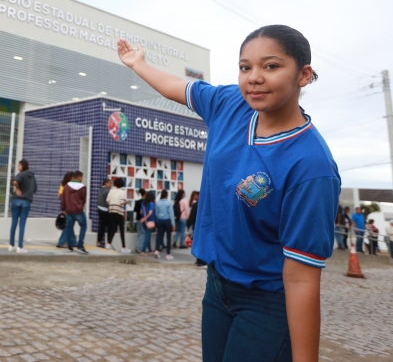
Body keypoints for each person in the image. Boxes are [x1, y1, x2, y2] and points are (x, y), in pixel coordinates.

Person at [118, 24, 341, 362]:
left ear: (304, 75)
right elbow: (177, 87)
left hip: (267, 302)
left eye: (271, 66)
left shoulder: (311, 166)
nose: (254, 78)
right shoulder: (229, 103)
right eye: (245, 67)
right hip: (217, 286)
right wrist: (138, 64)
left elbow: (301, 279)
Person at [10, 159, 37, 253]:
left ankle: (11, 245)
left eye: (19, 165)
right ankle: (20, 247)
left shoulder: (20, 174)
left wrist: (17, 189)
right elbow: (35, 189)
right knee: (22, 224)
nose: (18, 167)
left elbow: (15, 182)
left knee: (14, 223)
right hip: (26, 202)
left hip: (16, 200)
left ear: (23, 166)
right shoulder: (32, 177)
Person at [62, 171, 88, 254]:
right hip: (78, 211)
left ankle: (70, 246)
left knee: (69, 227)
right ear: (79, 177)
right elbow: (84, 199)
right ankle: (80, 246)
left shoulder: (66, 186)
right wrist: (81, 206)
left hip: (69, 210)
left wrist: (63, 208)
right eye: (82, 177)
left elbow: (63, 198)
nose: (82, 179)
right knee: (83, 227)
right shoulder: (82, 187)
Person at [106, 178, 130, 253]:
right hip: (119, 212)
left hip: (111, 211)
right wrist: (126, 202)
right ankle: (123, 247)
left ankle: (109, 243)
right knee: (121, 229)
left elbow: (107, 200)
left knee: (114, 228)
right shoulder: (122, 192)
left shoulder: (111, 191)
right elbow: (121, 202)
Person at [56, 172, 76, 248]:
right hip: (68, 207)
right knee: (68, 225)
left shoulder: (63, 184)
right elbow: (60, 195)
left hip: (67, 206)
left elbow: (59, 195)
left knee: (70, 224)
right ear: (70, 177)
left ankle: (73, 241)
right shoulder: (68, 185)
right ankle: (61, 242)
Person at [155, 190, 175, 259]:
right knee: (168, 237)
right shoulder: (169, 203)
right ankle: (168, 254)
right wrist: (173, 224)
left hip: (160, 220)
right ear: (167, 195)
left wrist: (158, 220)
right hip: (167, 220)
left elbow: (156, 213)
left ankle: (157, 250)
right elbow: (171, 214)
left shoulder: (158, 203)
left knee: (159, 236)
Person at [138, 191, 156, 256]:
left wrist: (143, 219)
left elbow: (141, 212)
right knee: (147, 236)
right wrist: (146, 218)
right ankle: (143, 251)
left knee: (148, 235)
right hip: (149, 221)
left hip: (144, 222)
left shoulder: (143, 203)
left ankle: (150, 250)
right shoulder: (152, 203)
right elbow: (150, 213)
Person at [133, 189, 151, 253]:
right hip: (143, 219)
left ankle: (140, 246)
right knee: (143, 234)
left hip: (138, 219)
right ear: (145, 194)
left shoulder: (138, 201)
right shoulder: (146, 202)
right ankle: (138, 246)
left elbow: (135, 210)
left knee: (140, 233)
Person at [96, 178, 112, 248]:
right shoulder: (107, 191)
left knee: (102, 226)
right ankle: (109, 243)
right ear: (106, 183)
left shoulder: (101, 190)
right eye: (110, 183)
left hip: (100, 209)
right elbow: (109, 201)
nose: (111, 185)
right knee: (110, 227)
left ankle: (99, 241)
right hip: (105, 210)